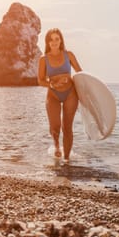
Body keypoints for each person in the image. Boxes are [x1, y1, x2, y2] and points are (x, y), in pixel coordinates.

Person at [38, 28, 82, 163]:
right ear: (47, 42)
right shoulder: (43, 59)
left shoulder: (69, 55)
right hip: (53, 95)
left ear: (61, 40)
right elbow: (40, 80)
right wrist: (52, 85)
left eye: (57, 39)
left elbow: (80, 73)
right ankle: (56, 145)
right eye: (51, 39)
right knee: (55, 126)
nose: (54, 42)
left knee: (67, 127)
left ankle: (67, 160)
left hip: (70, 93)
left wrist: (75, 83)